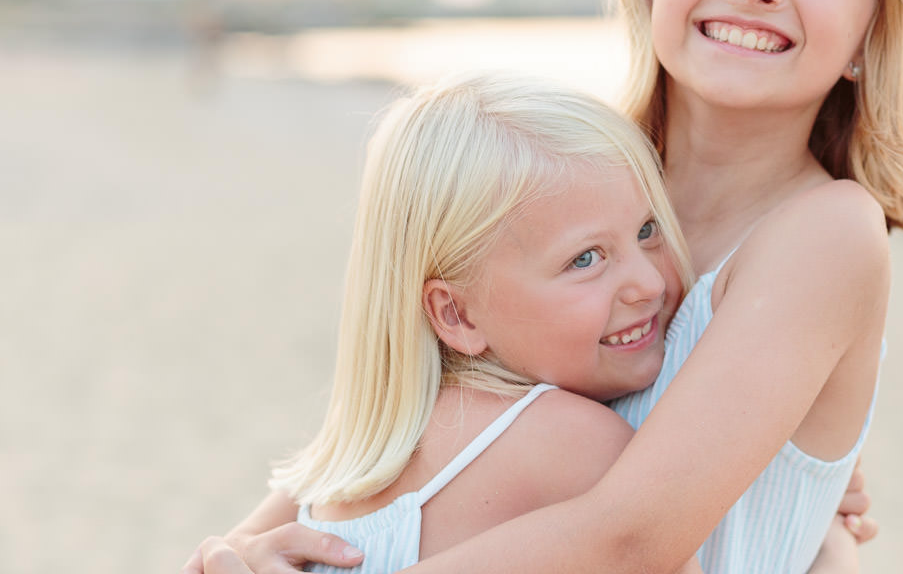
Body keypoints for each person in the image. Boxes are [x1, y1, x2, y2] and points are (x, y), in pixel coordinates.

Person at [187, 0, 903, 573]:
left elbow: (632, 540)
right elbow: (396, 407)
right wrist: (243, 545)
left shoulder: (826, 231)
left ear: (872, 31)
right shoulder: (566, 179)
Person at [188, 71, 704, 573]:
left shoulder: (335, 472)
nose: (651, 284)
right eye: (586, 259)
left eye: (647, 229)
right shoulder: (572, 443)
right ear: (456, 314)